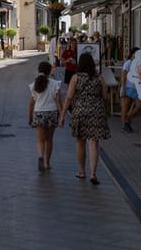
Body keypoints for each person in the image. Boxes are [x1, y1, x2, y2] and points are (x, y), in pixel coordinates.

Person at [60, 52, 111, 184]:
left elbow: (69, 97)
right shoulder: (99, 78)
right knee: (93, 143)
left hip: (80, 112)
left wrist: (62, 115)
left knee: (80, 142)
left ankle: (82, 171)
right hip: (96, 113)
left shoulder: (75, 77)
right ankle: (93, 173)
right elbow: (105, 97)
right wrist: (104, 111)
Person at [27, 61, 62, 172]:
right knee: (49, 140)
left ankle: (40, 157)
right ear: (49, 71)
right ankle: (47, 163)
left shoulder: (34, 85)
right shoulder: (55, 84)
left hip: (39, 113)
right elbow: (58, 101)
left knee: (40, 140)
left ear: (39, 70)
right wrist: (62, 115)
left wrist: (30, 118)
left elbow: (31, 104)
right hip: (52, 113)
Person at [120, 47, 141, 132]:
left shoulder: (140, 63)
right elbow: (123, 75)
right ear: (132, 54)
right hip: (128, 87)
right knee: (125, 107)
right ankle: (124, 125)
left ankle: (128, 118)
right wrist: (123, 88)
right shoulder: (128, 63)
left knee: (139, 106)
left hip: (136, 88)